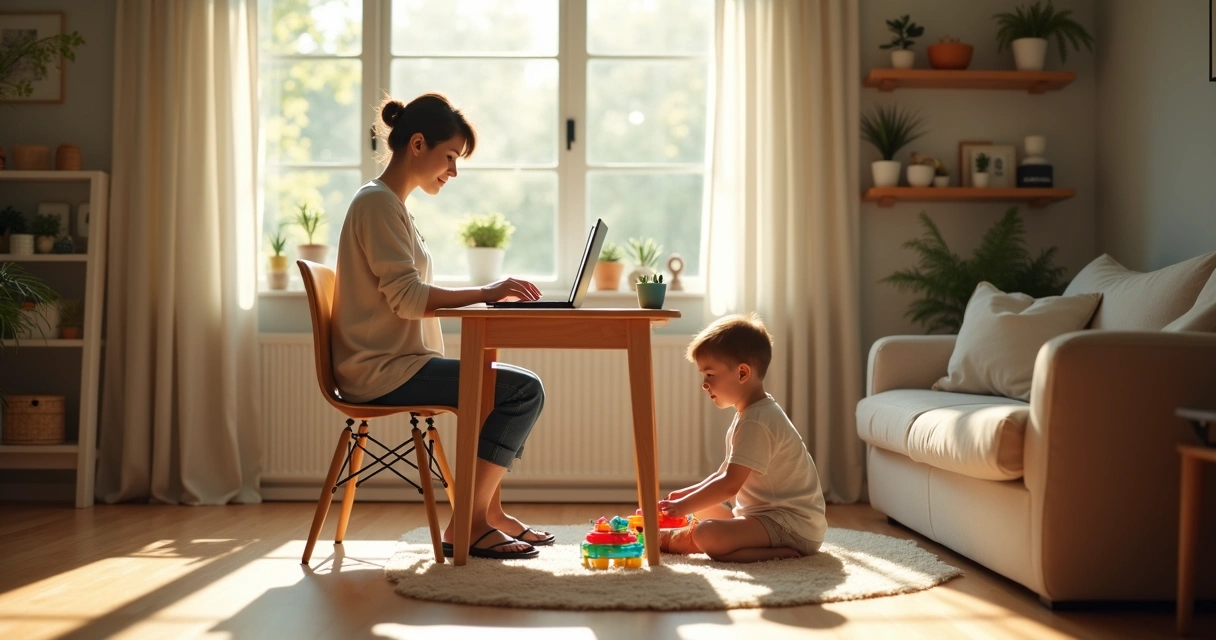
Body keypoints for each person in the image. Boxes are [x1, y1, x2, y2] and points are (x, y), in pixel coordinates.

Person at [331, 93, 551, 560]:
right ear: (417, 144)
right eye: (449, 157)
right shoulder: (378, 205)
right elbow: (409, 300)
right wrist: (486, 292)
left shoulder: (391, 206)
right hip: (382, 370)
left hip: (398, 362)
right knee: (521, 391)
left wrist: (484, 296)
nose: (452, 172)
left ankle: (486, 516)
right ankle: (469, 523)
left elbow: (407, 291)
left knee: (503, 387)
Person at [657, 313, 827, 562]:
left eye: (710, 375)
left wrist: (682, 508)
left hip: (791, 527)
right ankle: (699, 536)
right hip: (763, 517)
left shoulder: (757, 422)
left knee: (706, 532)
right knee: (700, 506)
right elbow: (722, 475)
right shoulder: (749, 414)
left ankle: (772, 553)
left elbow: (729, 485)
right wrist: (683, 497)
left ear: (743, 373)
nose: (704, 384)